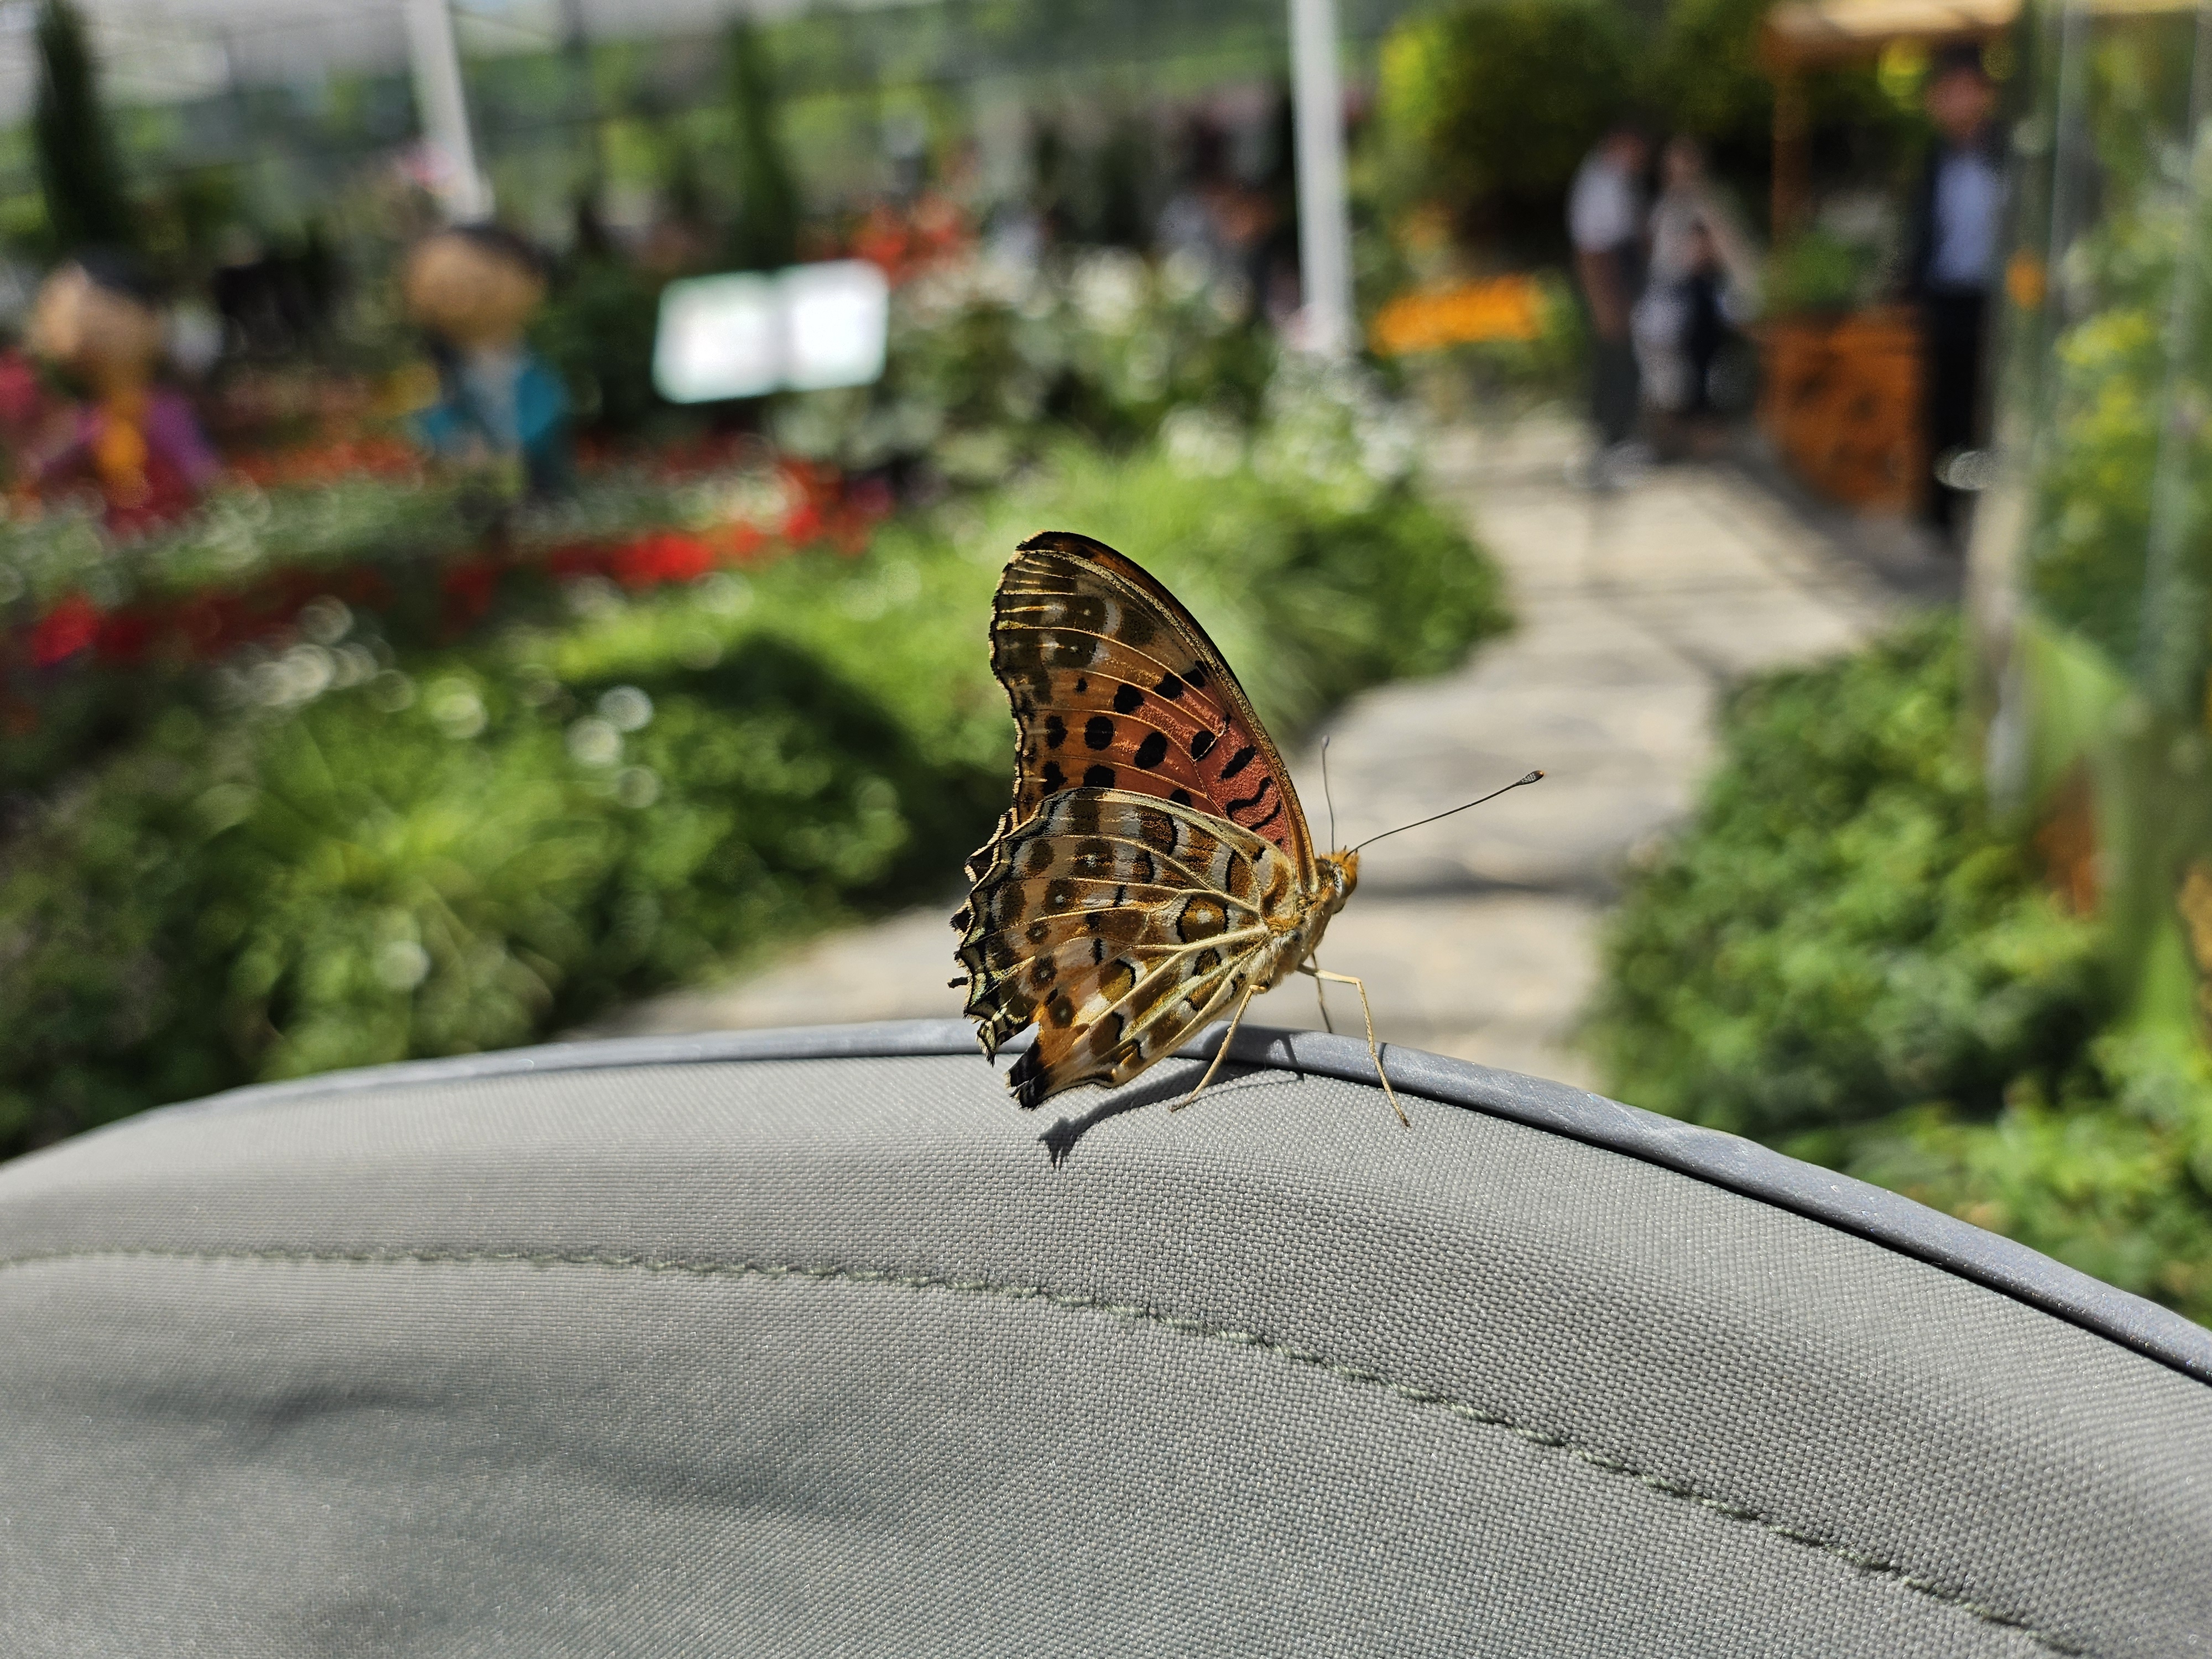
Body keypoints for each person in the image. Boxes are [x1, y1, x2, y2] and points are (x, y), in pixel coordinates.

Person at [1905, 46, 2005, 538]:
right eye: (1943, 94)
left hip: (1997, 301)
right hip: (1946, 298)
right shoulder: (1935, 158)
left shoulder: (2008, 157)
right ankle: (1941, 513)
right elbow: (1922, 232)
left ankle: (1987, 509)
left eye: (1959, 92)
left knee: (1989, 406)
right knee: (1943, 409)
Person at [400, 224, 571, 499]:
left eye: (476, 284)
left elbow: (545, 408)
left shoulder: (528, 369)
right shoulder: (439, 376)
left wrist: (518, 446)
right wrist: (454, 444)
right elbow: (431, 416)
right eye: (443, 288)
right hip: (470, 484)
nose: (460, 299)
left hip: (534, 481)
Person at [1633, 138, 1762, 454]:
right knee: (1665, 375)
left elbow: (1728, 253)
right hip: (1668, 298)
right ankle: (1674, 434)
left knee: (1700, 370)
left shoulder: (1707, 204)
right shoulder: (1664, 205)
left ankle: (1702, 432)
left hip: (1699, 299)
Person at [1568, 123, 1652, 482]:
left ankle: (1618, 435)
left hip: (1616, 276)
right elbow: (1595, 249)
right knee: (1615, 360)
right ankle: (1611, 436)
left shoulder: (1612, 177)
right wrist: (1610, 297)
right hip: (1607, 277)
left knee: (1620, 357)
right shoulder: (1600, 180)